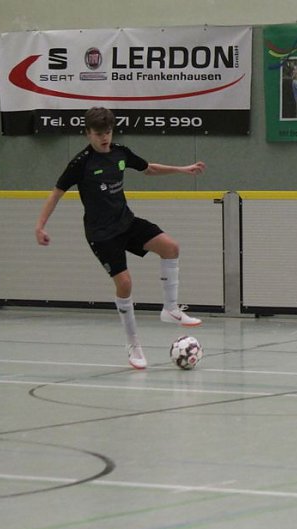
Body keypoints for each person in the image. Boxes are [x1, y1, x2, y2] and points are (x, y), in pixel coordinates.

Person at [35, 107, 206, 370]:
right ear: (87, 133)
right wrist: (40, 226)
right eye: (98, 133)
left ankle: (170, 309)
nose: (104, 138)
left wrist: (182, 169)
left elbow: (148, 169)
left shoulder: (120, 153)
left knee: (171, 247)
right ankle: (133, 345)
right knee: (125, 284)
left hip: (126, 223)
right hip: (101, 235)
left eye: (108, 132)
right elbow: (56, 192)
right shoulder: (80, 163)